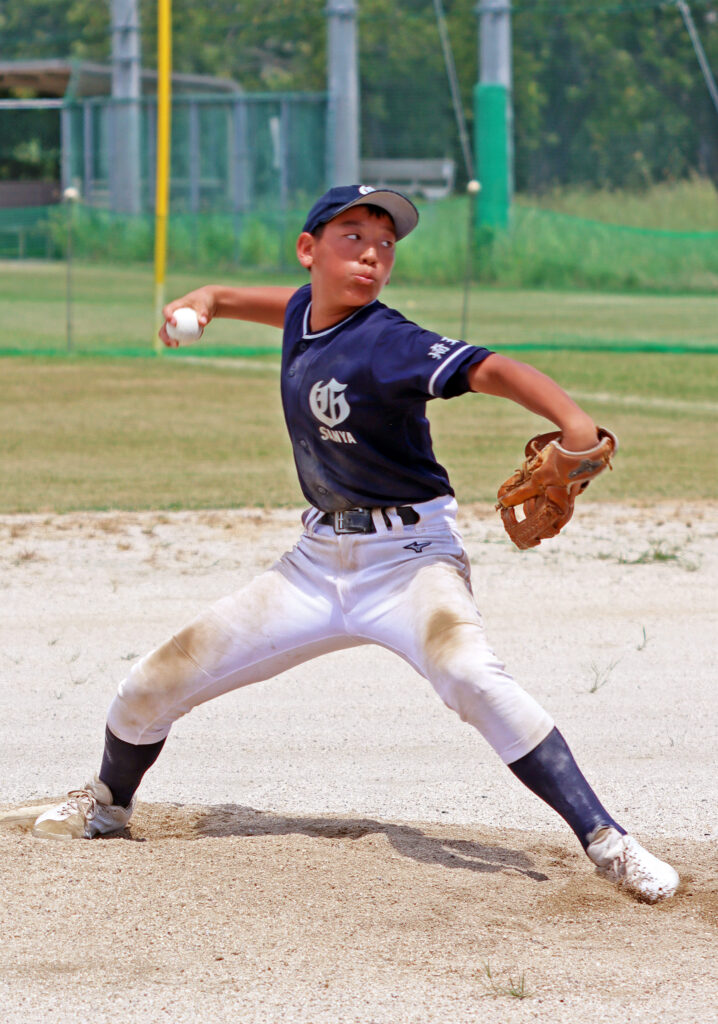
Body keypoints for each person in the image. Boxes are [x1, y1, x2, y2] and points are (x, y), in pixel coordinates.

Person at [34, 185, 678, 903]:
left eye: (386, 243)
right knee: (148, 685)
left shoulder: (389, 341)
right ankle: (108, 807)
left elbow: (489, 368)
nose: (372, 253)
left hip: (409, 561)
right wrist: (211, 296)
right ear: (309, 250)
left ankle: (608, 843)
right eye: (353, 236)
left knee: (470, 677)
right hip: (313, 566)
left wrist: (573, 420)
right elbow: (276, 305)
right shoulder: (303, 312)